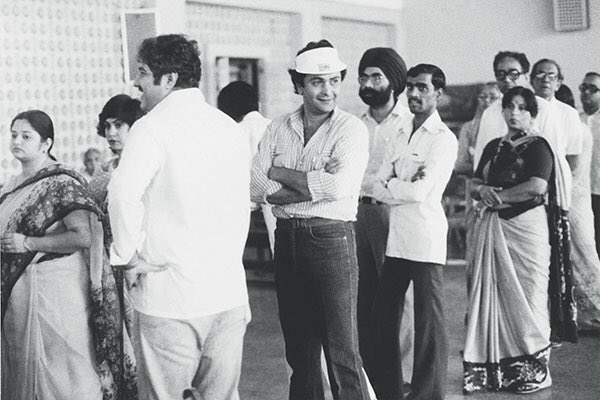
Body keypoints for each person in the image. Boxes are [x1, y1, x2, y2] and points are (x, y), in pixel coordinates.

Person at [107, 34, 251, 400]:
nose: (136, 83)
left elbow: (123, 195)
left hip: (172, 298)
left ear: (168, 79)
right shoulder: (229, 128)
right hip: (228, 294)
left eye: (142, 73)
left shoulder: (151, 127)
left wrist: (127, 256)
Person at [250, 39, 370, 400]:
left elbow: (341, 186)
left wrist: (280, 170)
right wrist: (312, 179)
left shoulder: (350, 129)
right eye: (317, 82)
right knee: (300, 355)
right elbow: (254, 184)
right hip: (287, 239)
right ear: (299, 85)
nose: (327, 90)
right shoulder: (278, 126)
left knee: (342, 354)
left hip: (331, 239)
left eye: (334, 81)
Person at [1, 110, 135, 399]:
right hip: (21, 292)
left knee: (66, 372)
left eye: (26, 136)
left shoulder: (62, 183)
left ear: (46, 143)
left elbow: (82, 236)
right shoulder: (11, 185)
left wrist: (28, 243)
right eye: (14, 135)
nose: (17, 141)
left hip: (57, 292)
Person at [463, 87, 576, 394]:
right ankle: (496, 372)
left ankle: (535, 371)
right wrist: (481, 192)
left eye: (521, 108)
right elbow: (475, 181)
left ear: (531, 114)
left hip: (526, 229)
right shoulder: (493, 146)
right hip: (493, 226)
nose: (514, 112)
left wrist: (495, 196)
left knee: (530, 296)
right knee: (495, 298)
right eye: (509, 107)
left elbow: (536, 187)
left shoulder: (539, 146)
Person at [370, 63, 457, 400]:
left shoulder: (443, 140)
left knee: (428, 323)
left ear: (438, 94)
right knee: (383, 317)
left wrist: (392, 185)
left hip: (425, 238)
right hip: (398, 238)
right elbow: (376, 185)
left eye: (423, 88)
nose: (415, 94)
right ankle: (388, 389)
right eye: (411, 87)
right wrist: (397, 184)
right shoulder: (401, 131)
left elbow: (420, 193)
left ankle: (428, 393)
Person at [354, 47, 414, 388]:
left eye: (376, 77)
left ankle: (402, 374)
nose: (368, 83)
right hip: (356, 213)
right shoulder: (353, 123)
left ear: (394, 81)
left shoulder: (408, 122)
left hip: (394, 213)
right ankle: (370, 371)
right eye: (364, 77)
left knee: (398, 294)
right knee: (363, 293)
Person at [472, 52, 572, 211]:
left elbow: (556, 158)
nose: (507, 79)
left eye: (513, 73)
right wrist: (480, 193)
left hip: (535, 204)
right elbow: (480, 159)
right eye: (501, 74)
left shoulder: (543, 108)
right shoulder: (490, 112)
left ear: (526, 77)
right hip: (491, 205)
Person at [87, 94, 142, 338]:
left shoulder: (145, 167)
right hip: (106, 260)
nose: (111, 133)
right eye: (108, 126)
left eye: (118, 125)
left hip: (138, 257)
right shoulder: (104, 170)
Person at [555, 84, 600, 332]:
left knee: (585, 255)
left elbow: (570, 170)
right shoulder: (577, 127)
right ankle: (582, 314)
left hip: (574, 200)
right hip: (574, 199)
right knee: (572, 258)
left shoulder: (576, 130)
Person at [218, 81, 276, 256]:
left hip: (243, 207)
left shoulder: (230, 133)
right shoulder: (275, 125)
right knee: (282, 254)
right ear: (257, 104)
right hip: (280, 201)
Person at [530, 58, 582, 173]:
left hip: (556, 175)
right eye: (540, 74)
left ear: (558, 83)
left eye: (551, 76)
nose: (546, 79)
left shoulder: (569, 113)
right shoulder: (522, 109)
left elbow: (573, 156)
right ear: (532, 81)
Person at [454, 82, 502, 176]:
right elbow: (460, 165)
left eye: (493, 98)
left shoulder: (507, 127)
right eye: (483, 97)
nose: (487, 100)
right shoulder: (468, 128)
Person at [579, 71, 600, 259]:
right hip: (581, 193)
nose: (586, 92)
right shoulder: (575, 120)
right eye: (583, 87)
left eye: (593, 88)